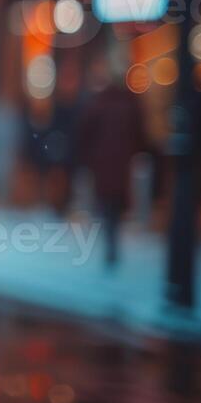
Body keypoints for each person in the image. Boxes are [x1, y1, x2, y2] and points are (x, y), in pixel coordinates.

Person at [75, 61, 150, 268]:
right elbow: (140, 136)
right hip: (121, 165)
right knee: (115, 204)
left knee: (107, 204)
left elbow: (84, 134)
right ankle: (112, 245)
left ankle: (110, 245)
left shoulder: (98, 104)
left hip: (102, 165)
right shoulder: (130, 105)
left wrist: (87, 158)